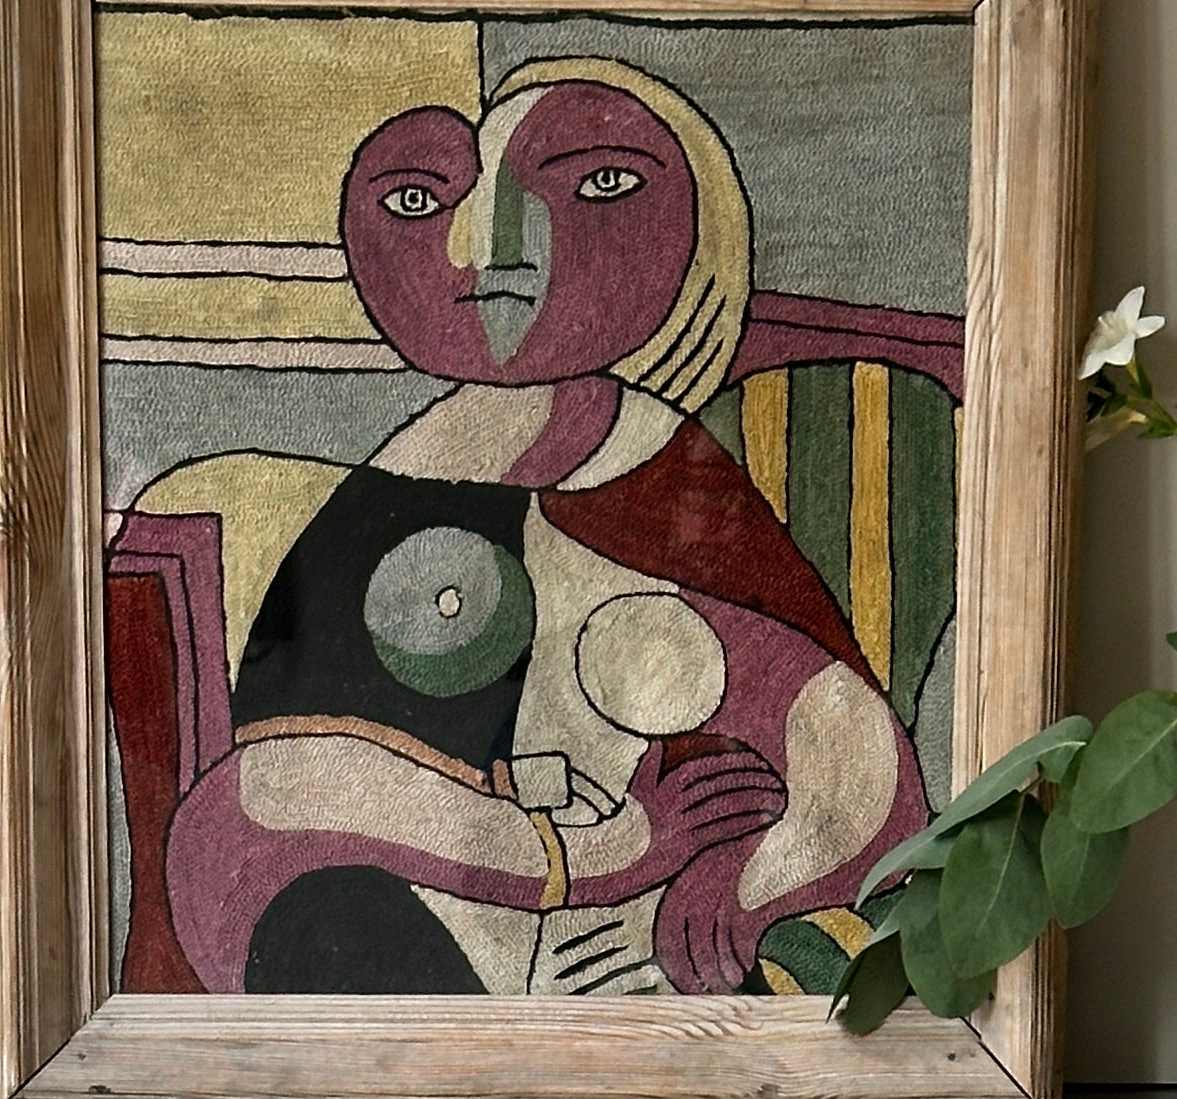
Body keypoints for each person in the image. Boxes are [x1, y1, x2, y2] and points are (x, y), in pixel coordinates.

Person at [143, 58, 930, 999]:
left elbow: (853, 759)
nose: (489, 251)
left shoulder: (666, 478)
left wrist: (748, 882)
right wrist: (595, 852)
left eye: (597, 185)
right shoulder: (400, 482)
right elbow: (266, 800)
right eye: (418, 201)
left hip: (630, 959)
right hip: (423, 924)